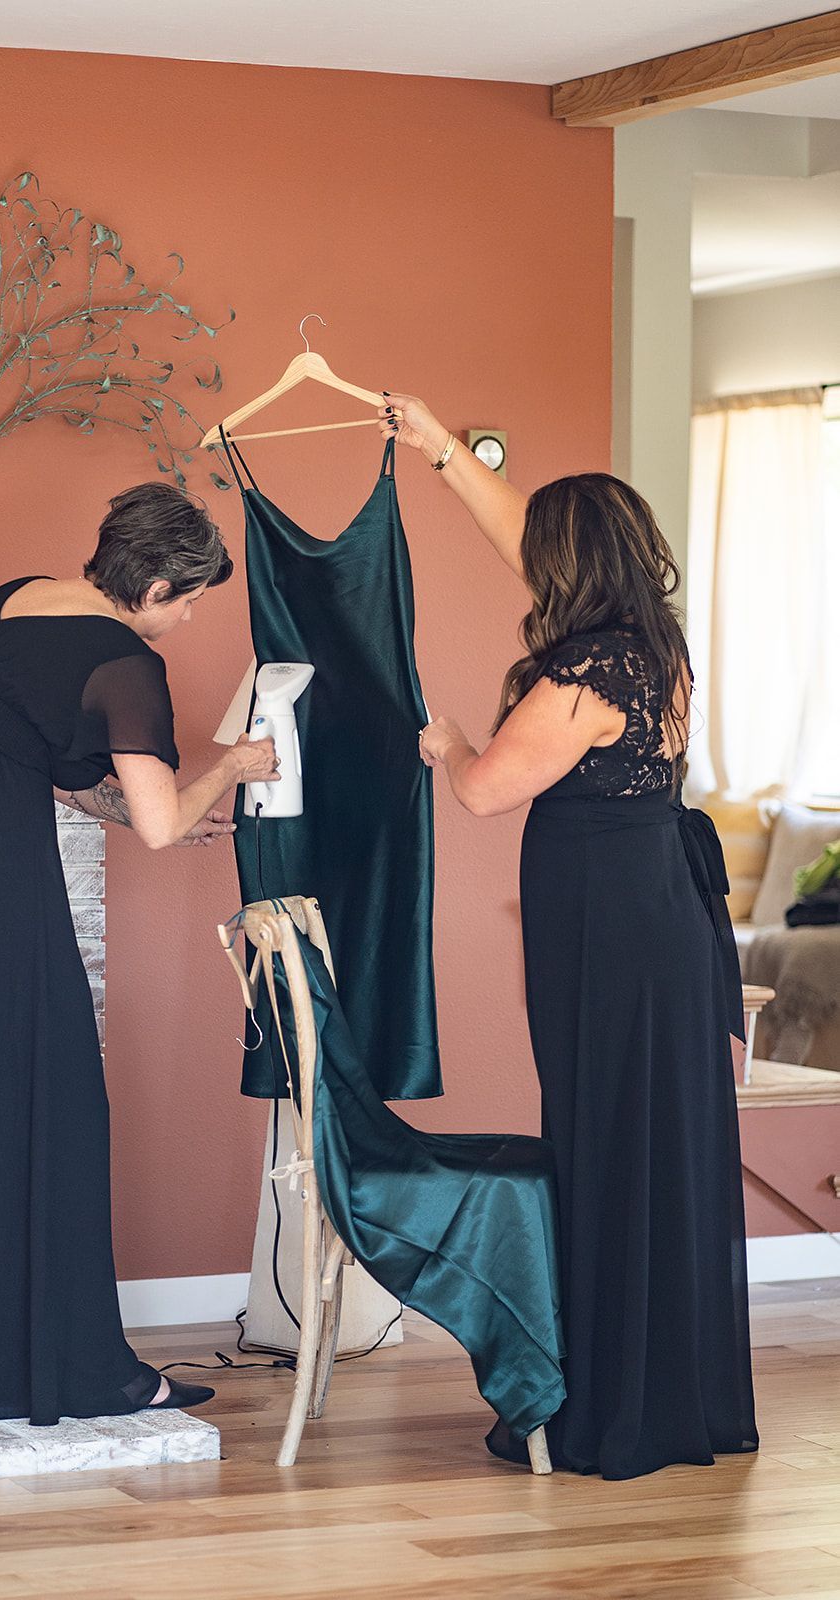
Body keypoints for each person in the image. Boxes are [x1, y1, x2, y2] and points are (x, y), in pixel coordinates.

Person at [378, 392, 758, 1480]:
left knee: (606, 1143)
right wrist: (441, 450)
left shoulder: (582, 675)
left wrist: (448, 742)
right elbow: (526, 543)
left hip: (613, 946)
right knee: (653, 1149)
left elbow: (484, 791)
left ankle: (609, 1405)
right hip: (656, 928)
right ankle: (669, 1390)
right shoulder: (652, 649)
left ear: (571, 569)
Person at [0, 482, 278, 1424]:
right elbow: (156, 825)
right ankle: (70, 1367)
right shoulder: (124, 661)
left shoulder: (12, 599)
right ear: (155, 587)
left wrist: (183, 809)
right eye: (188, 601)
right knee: (49, 1097)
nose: (188, 619)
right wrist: (231, 771)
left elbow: (68, 780)